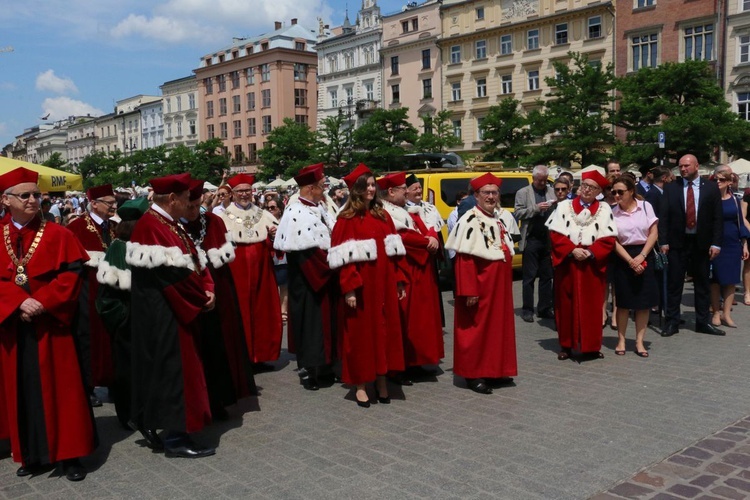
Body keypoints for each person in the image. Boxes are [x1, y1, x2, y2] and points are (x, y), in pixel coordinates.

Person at [0, 167, 95, 481]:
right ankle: (34, 454)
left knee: (62, 391)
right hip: (14, 325)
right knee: (23, 391)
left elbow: (71, 275)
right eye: (24, 195)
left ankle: (70, 456)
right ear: (5, 200)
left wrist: (42, 301)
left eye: (36, 195)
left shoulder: (59, 233)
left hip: (52, 325)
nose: (32, 200)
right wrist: (18, 302)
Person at [127, 172, 216, 458]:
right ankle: (176, 438)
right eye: (188, 198)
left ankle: (176, 429)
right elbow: (173, 275)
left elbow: (192, 260)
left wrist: (207, 286)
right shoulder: (152, 226)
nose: (193, 203)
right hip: (165, 314)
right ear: (174, 199)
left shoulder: (168, 223)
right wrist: (201, 298)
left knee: (180, 371)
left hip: (174, 309)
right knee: (174, 373)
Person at [327, 163, 406, 408]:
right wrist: (349, 288)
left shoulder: (383, 216)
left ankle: (381, 380)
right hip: (362, 288)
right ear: (357, 189)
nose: (372, 189)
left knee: (384, 332)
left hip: (383, 284)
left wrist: (399, 281)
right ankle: (361, 384)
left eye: (373, 185)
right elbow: (343, 257)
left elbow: (395, 253)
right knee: (360, 336)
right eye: (367, 185)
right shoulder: (346, 219)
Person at [182, 179, 257, 419]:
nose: (194, 211)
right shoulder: (173, 226)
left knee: (220, 345)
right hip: (189, 292)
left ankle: (220, 400)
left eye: (197, 206)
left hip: (218, 292)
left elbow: (224, 262)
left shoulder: (214, 221)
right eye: (190, 207)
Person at [446, 173, 519, 394]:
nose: (490, 196)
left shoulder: (497, 219)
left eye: (494, 192)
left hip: (498, 288)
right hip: (480, 287)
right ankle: (473, 374)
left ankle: (493, 371)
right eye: (486, 192)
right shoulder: (469, 220)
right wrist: (469, 290)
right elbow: (465, 260)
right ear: (476, 195)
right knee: (475, 331)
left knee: (496, 330)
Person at [274, 163, 339, 391]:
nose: (325, 191)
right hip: (310, 281)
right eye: (322, 187)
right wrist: (332, 266)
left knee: (325, 325)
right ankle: (310, 369)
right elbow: (307, 252)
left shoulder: (318, 207)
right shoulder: (296, 213)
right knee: (310, 327)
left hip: (323, 278)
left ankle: (327, 365)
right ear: (311, 188)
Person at [379, 172, 443, 383]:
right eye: (402, 188)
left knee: (418, 319)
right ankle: (398, 367)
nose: (407, 191)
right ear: (390, 192)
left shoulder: (402, 209)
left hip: (417, 268)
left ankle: (414, 361)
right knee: (404, 318)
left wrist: (431, 238)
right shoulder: (385, 212)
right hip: (403, 269)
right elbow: (402, 237)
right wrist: (427, 243)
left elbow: (422, 229)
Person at [546, 170, 617, 360]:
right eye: (584, 186)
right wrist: (571, 250)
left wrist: (591, 252)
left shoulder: (604, 209)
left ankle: (591, 346)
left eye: (592, 188)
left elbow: (609, 238)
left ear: (598, 192)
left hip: (591, 264)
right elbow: (555, 234)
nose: (586, 190)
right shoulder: (563, 207)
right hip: (568, 263)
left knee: (592, 306)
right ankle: (566, 346)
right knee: (565, 304)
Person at [95, 197, 150, 429]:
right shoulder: (118, 248)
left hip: (147, 319)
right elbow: (106, 295)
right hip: (127, 322)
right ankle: (128, 414)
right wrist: (124, 317)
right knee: (127, 370)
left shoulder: (147, 245)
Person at [219, 173, 282, 372]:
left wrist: (273, 235)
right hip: (236, 270)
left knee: (262, 311)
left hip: (262, 270)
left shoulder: (263, 214)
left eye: (247, 190)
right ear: (232, 193)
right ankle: (242, 356)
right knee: (241, 311)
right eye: (240, 191)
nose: (244, 194)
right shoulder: (220, 216)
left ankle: (261, 355)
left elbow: (279, 244)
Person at [659, 154, 725, 337]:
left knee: (702, 283)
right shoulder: (672, 188)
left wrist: (716, 243)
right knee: (674, 284)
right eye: (680, 166)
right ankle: (671, 321)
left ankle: (702, 322)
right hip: (677, 243)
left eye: (687, 166)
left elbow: (717, 218)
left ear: (696, 166)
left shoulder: (711, 189)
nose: (683, 169)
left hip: (701, 243)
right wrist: (663, 241)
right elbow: (663, 217)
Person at [66, 183, 118, 407]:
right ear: (94, 204)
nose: (114, 206)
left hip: (113, 292)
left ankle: (114, 382)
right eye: (110, 202)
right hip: (88, 292)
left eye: (115, 202)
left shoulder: (115, 227)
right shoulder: (77, 228)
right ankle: (88, 386)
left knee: (112, 338)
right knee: (88, 339)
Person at [610, 176, 659, 357]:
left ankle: (639, 342)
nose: (616, 195)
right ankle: (621, 340)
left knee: (643, 303)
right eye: (613, 192)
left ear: (631, 191)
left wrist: (642, 256)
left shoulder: (645, 207)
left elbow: (653, 232)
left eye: (620, 192)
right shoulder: (611, 212)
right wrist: (630, 260)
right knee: (623, 303)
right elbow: (612, 241)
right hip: (622, 256)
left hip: (644, 252)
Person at [514, 165, 555, 323]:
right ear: (533, 178)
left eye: (545, 180)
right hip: (531, 238)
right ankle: (527, 309)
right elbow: (517, 213)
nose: (543, 183)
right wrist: (536, 209)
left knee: (546, 276)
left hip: (547, 238)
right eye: (540, 181)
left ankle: (544, 308)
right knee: (529, 277)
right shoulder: (523, 192)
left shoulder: (550, 191)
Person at [709, 172, 750, 328]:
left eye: (722, 180)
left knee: (731, 280)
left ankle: (727, 314)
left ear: (729, 183)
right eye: (716, 179)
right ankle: (715, 313)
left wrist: (744, 243)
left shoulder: (734, 200)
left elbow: (740, 222)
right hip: (714, 243)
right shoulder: (709, 199)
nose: (718, 182)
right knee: (715, 280)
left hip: (732, 243)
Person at [265, 198, 289, 324]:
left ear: (279, 209)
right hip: (269, 257)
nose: (270, 210)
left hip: (283, 257)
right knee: (271, 286)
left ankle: (283, 311)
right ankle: (273, 311)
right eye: (268, 208)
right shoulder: (264, 221)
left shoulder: (284, 222)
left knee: (284, 285)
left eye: (273, 207)